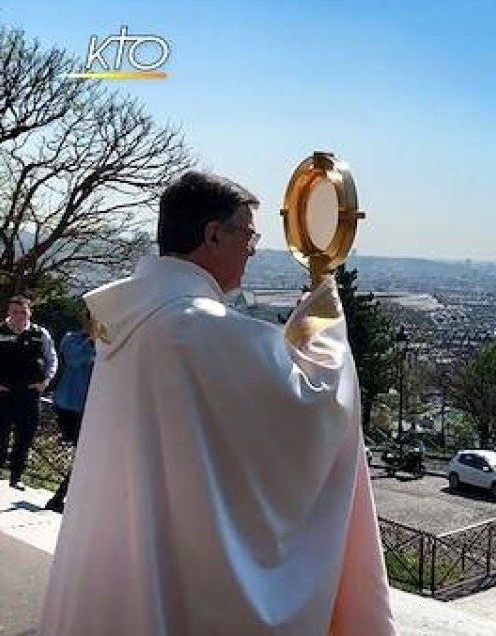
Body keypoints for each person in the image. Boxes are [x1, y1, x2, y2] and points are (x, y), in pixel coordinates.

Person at [40, 171, 396, 635]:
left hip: (124, 547)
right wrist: (324, 324)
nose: (252, 250)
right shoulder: (196, 326)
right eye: (248, 235)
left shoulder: (130, 314)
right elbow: (315, 398)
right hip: (188, 563)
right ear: (212, 235)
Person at [0, 295, 58, 491]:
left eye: (23, 312)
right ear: (9, 312)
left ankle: (16, 477)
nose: (19, 316)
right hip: (4, 394)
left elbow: (52, 358)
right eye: (15, 312)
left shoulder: (40, 334)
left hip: (29, 394)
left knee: (25, 438)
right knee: (1, 437)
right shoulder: (1, 330)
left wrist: (46, 381)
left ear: (30, 312)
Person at [43, 315, 97, 512]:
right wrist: (91, 340)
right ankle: (60, 499)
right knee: (85, 454)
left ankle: (61, 498)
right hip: (69, 406)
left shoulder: (109, 344)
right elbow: (74, 360)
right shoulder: (72, 338)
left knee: (87, 455)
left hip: (92, 408)